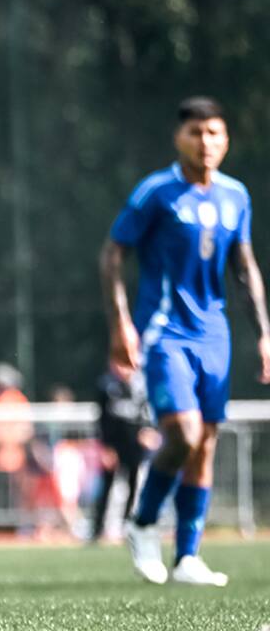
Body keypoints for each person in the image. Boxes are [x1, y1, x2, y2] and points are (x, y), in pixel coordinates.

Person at [102, 97, 270, 587]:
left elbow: (244, 266)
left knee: (206, 445)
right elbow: (113, 255)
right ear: (179, 138)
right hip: (164, 332)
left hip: (213, 334)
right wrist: (119, 324)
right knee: (184, 432)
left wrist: (264, 333)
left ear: (226, 138)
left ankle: (188, 557)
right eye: (197, 133)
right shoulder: (156, 192)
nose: (207, 143)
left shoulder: (236, 196)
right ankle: (143, 521)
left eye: (215, 133)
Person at [90, 362, 157, 542]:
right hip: (114, 446)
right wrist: (105, 447)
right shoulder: (107, 387)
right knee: (106, 487)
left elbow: (150, 413)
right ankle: (97, 529)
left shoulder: (143, 386)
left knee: (134, 486)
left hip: (135, 446)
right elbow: (102, 420)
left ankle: (128, 528)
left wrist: (150, 430)